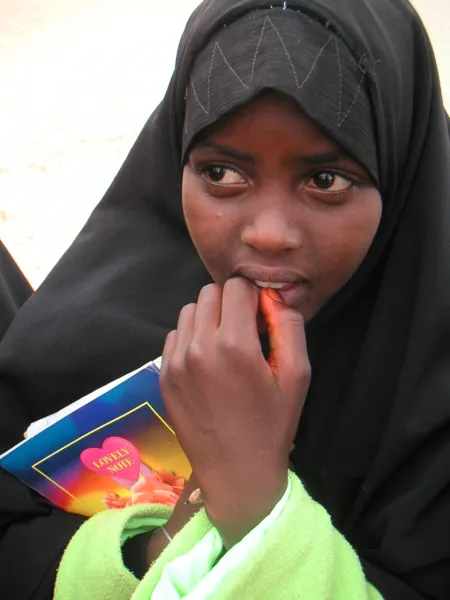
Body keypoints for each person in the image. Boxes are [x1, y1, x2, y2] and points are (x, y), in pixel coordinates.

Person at [0, 0, 449, 598]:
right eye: (220, 173)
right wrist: (176, 528)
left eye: (326, 180)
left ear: (398, 173)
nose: (268, 232)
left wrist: (257, 502)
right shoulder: (82, 348)